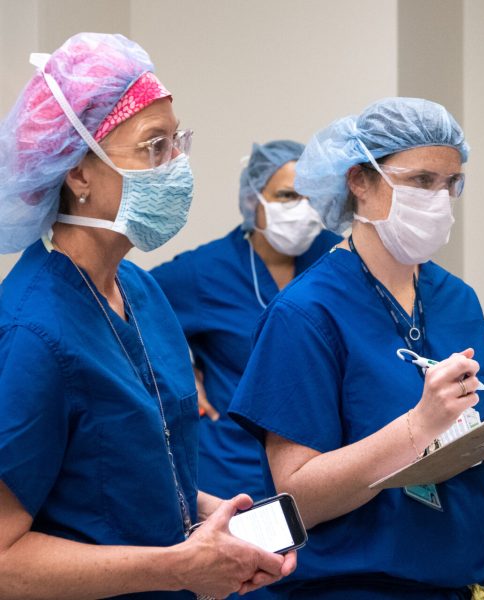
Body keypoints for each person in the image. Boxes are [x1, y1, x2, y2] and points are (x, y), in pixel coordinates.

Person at [0, 33, 293, 598]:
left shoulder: (141, 293)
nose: (177, 166)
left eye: (177, 141)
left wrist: (216, 524)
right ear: (78, 174)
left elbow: (135, 473)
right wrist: (178, 567)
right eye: (154, 147)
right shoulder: (31, 333)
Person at [229, 97, 484, 599]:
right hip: (355, 586)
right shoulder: (307, 314)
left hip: (464, 581)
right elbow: (297, 498)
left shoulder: (457, 301)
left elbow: (481, 468)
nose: (440, 199)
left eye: (451, 184)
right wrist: (415, 427)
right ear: (360, 181)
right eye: (422, 181)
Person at [151, 140, 340, 503]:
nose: (302, 210)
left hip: (323, 461)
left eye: (311, 197)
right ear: (253, 200)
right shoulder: (206, 272)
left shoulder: (335, 257)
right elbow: (132, 309)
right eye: (287, 196)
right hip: (235, 467)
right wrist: (180, 371)